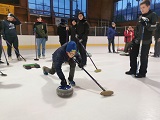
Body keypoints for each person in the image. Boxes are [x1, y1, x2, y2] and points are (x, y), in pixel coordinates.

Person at [125, 0, 158, 78]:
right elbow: (137, 29)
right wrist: (135, 37)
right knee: (132, 54)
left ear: (148, 6)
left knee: (143, 57)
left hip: (145, 40)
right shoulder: (140, 16)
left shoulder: (153, 15)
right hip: (138, 39)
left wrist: (147, 24)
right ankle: (133, 69)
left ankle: (142, 72)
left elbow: (155, 27)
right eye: (140, 8)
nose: (142, 9)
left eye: (143, 7)